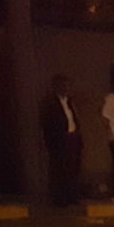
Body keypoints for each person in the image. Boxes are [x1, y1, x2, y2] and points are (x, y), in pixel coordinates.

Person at [40, 74, 83, 207]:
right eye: (63, 85)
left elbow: (73, 119)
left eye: (68, 85)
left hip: (72, 138)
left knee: (73, 169)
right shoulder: (50, 102)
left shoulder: (70, 102)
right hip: (59, 140)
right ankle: (59, 200)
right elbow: (47, 123)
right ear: (56, 86)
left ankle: (72, 198)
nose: (66, 88)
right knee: (60, 170)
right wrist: (52, 141)